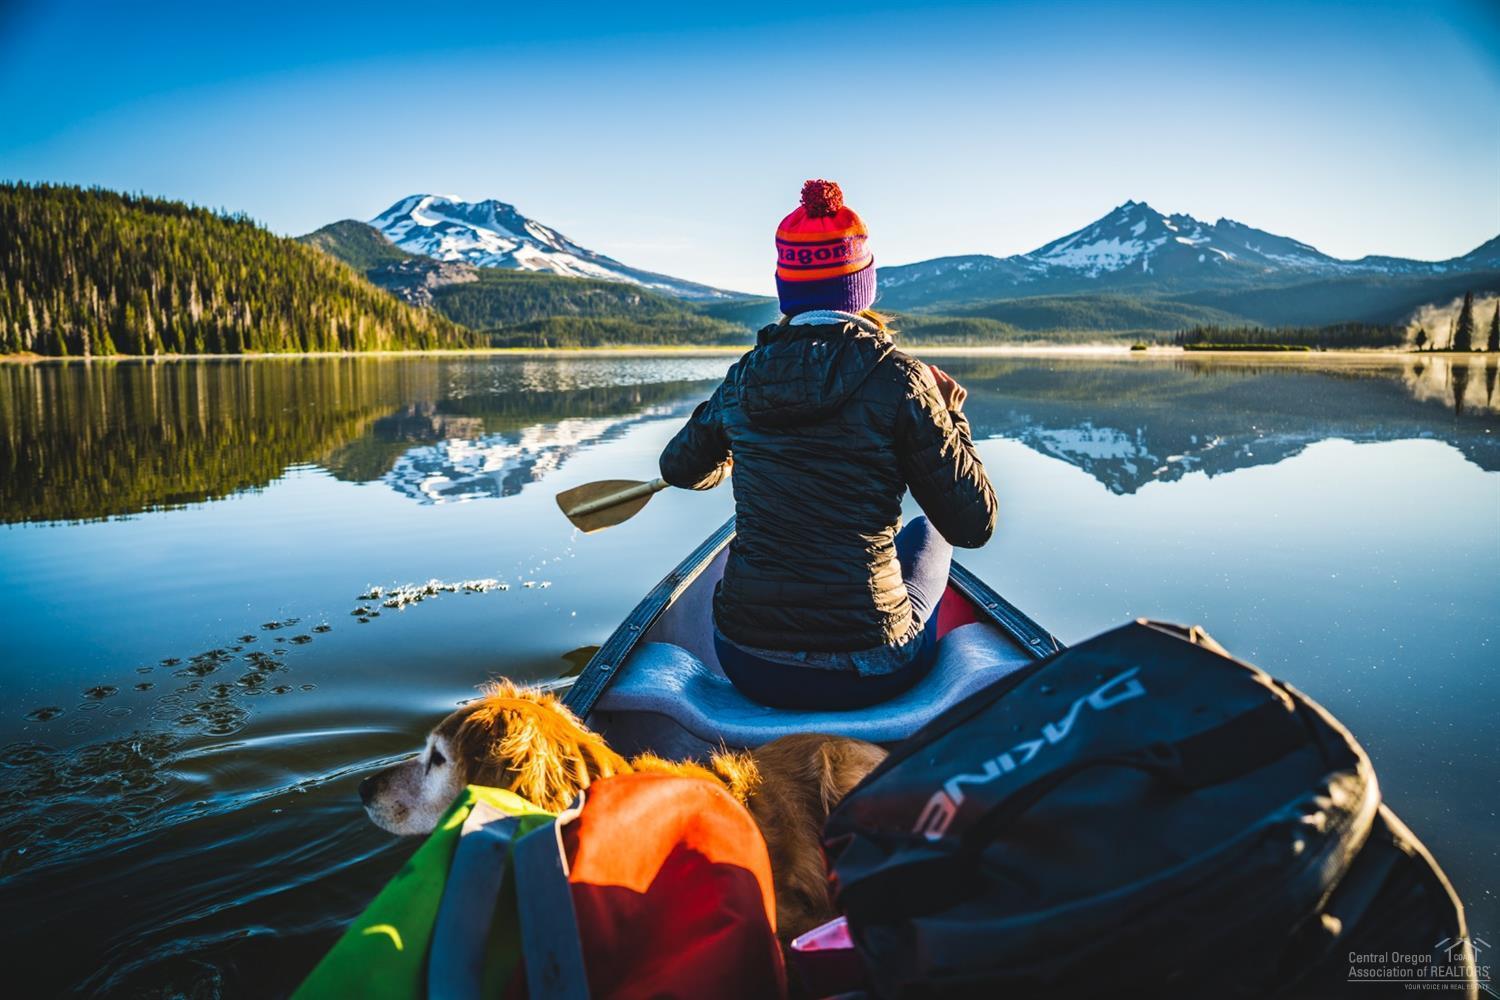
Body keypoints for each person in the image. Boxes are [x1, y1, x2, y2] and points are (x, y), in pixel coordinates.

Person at [659, 180, 996, 711]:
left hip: (749, 663)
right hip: (868, 668)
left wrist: (731, 446)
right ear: (863, 288)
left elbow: (679, 468)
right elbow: (973, 526)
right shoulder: (902, 380)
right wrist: (951, 415)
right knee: (930, 529)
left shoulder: (744, 378)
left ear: (785, 290)